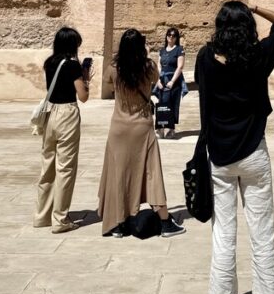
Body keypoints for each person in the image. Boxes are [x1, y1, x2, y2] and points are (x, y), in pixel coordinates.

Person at [195, 0, 274, 294]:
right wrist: (255, 7)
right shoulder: (258, 56)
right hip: (254, 153)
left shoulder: (205, 58)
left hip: (220, 157)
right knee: (262, 236)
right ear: (248, 28)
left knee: (223, 238)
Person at [98, 28, 185, 238]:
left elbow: (108, 86)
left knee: (119, 173)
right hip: (142, 127)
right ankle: (165, 221)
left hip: (119, 128)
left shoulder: (113, 68)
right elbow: (156, 80)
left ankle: (118, 223)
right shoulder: (148, 67)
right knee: (152, 173)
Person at [34, 26, 91, 234]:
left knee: (47, 166)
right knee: (65, 168)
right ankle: (60, 219)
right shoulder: (73, 65)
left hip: (50, 114)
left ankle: (42, 216)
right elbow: (83, 97)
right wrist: (86, 79)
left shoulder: (49, 63)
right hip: (67, 114)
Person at [155, 26, 186, 139]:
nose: (171, 37)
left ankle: (170, 129)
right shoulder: (162, 50)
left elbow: (180, 67)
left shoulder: (179, 50)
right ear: (166, 36)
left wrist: (172, 81)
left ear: (176, 38)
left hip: (174, 80)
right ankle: (160, 128)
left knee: (172, 104)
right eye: (169, 35)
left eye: (173, 35)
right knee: (162, 104)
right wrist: (158, 80)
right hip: (162, 80)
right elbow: (159, 66)